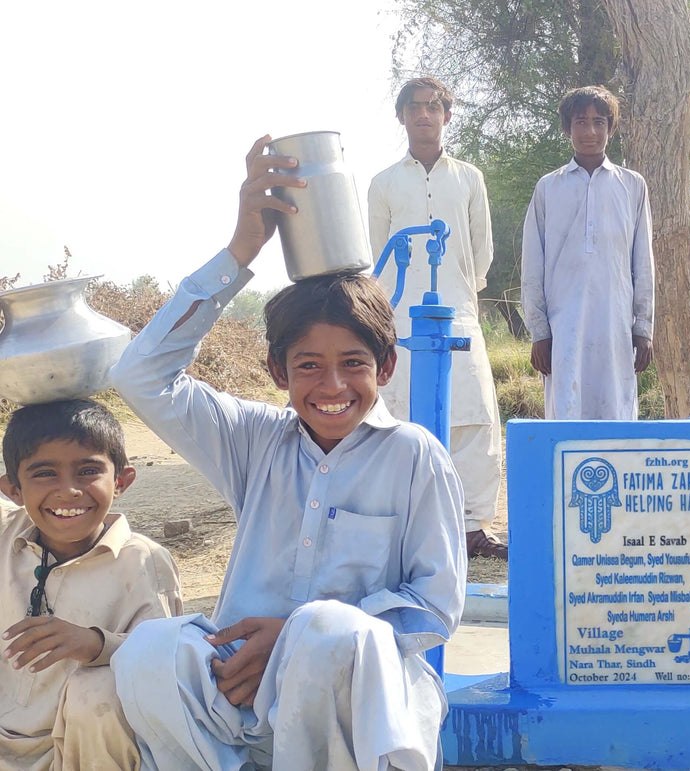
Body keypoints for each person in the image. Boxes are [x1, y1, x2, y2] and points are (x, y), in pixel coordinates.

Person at [109, 136, 466, 771]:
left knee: (329, 630)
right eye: (309, 366)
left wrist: (294, 636)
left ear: (384, 366)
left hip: (360, 703)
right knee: (147, 653)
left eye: (353, 364)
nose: (332, 387)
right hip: (243, 687)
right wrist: (242, 248)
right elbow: (141, 375)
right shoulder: (256, 441)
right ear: (278, 370)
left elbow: (434, 606)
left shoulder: (415, 456)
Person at [0, 399, 182, 771]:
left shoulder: (144, 562)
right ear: (13, 490)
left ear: (121, 481)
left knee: (98, 692)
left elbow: (167, 669)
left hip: (87, 751)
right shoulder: (7, 534)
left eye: (87, 471)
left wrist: (97, 644)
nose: (68, 491)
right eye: (45, 473)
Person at [368, 76, 506, 560]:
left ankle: (471, 527)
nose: (424, 115)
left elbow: (482, 250)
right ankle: (404, 526)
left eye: (433, 107)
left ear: (447, 115)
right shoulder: (384, 183)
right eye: (414, 107)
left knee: (472, 415)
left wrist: (461, 292)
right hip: (400, 316)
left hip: (459, 310)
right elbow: (377, 256)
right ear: (402, 116)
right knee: (400, 413)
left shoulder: (468, 177)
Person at [520, 85, 655, 421]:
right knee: (566, 413)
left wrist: (643, 327)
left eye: (599, 122)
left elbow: (643, 262)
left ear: (611, 128)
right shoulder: (549, 188)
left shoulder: (632, 185)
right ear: (568, 129)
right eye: (581, 122)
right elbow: (532, 265)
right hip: (563, 327)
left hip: (616, 326)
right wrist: (539, 332)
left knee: (616, 415)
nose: (590, 131)